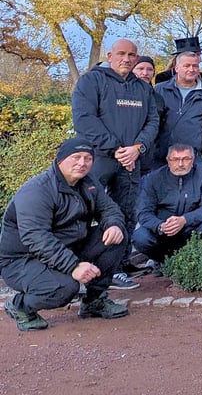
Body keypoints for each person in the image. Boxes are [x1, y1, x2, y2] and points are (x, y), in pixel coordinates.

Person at [1, 138, 129, 331]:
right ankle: (20, 306)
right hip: (23, 259)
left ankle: (94, 301)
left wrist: (114, 225)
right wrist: (73, 266)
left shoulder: (88, 182)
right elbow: (36, 238)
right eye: (76, 157)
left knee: (115, 237)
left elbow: (108, 208)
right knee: (65, 288)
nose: (82, 163)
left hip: (66, 247)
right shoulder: (37, 191)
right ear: (60, 160)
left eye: (87, 158)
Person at [71, 38, 159, 290]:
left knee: (125, 213)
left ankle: (117, 268)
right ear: (110, 55)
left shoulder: (143, 89)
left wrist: (137, 148)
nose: (127, 59)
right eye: (121, 53)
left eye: (132, 55)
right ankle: (80, 268)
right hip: (97, 161)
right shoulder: (91, 81)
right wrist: (117, 149)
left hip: (131, 161)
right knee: (85, 212)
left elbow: (152, 121)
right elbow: (84, 120)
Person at [133, 144, 202, 274]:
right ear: (168, 161)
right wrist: (160, 226)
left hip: (192, 227)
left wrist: (184, 220)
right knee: (139, 237)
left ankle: (195, 261)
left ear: (193, 159)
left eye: (186, 159)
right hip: (164, 230)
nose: (180, 164)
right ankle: (163, 261)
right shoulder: (153, 178)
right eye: (175, 159)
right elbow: (143, 212)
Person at [154, 51, 202, 206]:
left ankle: (191, 228)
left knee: (192, 196)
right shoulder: (160, 90)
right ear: (176, 68)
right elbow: (150, 121)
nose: (192, 69)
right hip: (161, 154)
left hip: (193, 154)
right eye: (187, 65)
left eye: (195, 66)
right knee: (160, 195)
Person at [133, 54, 165, 177]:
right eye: (140, 69)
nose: (145, 73)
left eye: (149, 69)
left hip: (151, 155)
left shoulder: (158, 98)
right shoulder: (122, 93)